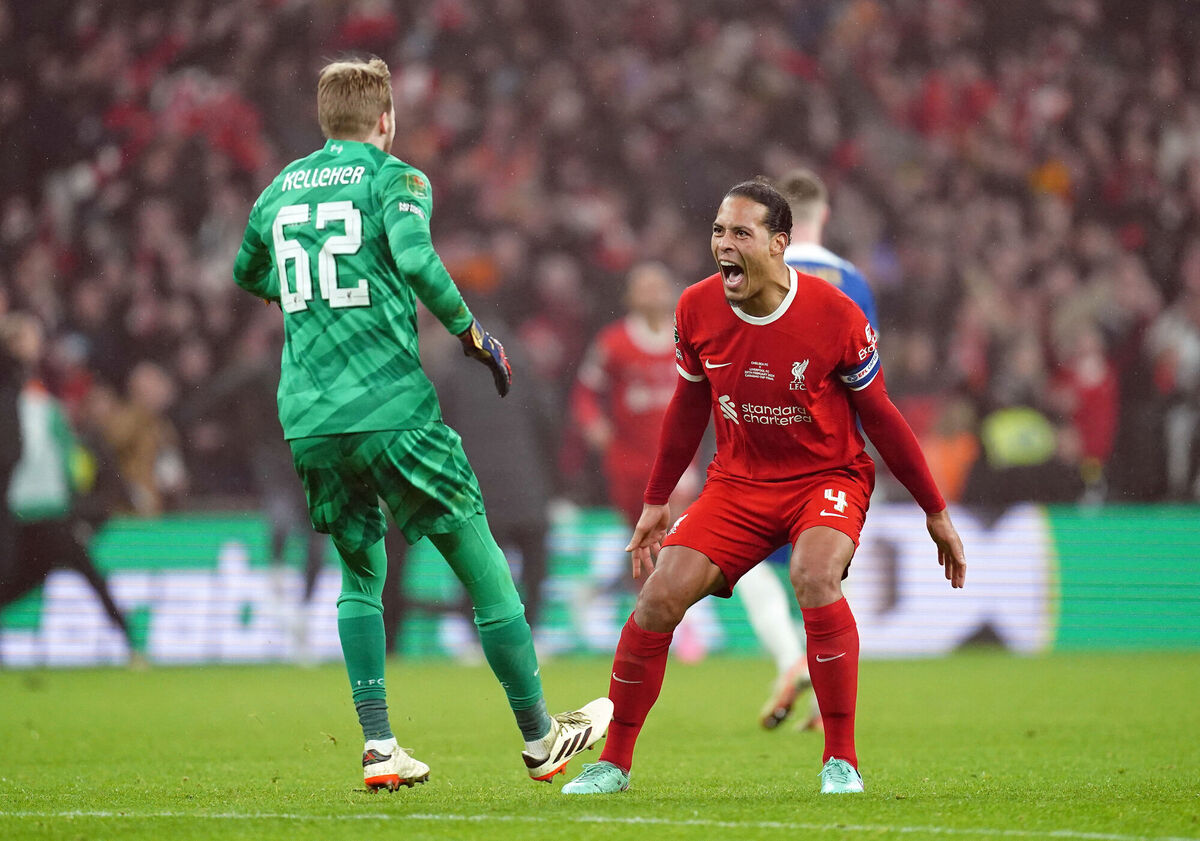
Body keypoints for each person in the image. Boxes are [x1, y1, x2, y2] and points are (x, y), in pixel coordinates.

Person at [232, 56, 611, 791]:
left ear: (324, 119)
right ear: (385, 120)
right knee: (480, 555)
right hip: (392, 408)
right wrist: (473, 335)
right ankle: (541, 736)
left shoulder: (278, 190)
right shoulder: (395, 178)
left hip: (309, 415)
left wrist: (311, 295)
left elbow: (248, 271)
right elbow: (416, 259)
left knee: (360, 570)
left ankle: (379, 744)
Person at [561, 178, 965, 796]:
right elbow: (688, 408)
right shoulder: (696, 308)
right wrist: (655, 500)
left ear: (780, 244)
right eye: (718, 232)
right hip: (738, 485)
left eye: (740, 233)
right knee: (657, 600)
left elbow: (881, 414)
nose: (724, 244)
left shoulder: (834, 315)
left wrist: (934, 510)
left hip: (826, 477)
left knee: (814, 576)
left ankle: (841, 761)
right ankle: (613, 764)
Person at [736, 168, 883, 732]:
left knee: (748, 568)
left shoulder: (756, 271)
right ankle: (827, 693)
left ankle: (790, 661)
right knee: (826, 579)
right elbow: (867, 375)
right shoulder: (853, 282)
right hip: (831, 457)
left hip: (762, 452)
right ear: (824, 215)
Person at [568, 261, 711, 661]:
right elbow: (584, 393)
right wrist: (594, 426)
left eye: (657, 287)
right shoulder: (613, 343)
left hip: (680, 463)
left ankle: (675, 630)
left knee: (674, 544)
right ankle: (632, 611)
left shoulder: (690, 338)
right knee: (648, 548)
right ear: (630, 297)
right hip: (628, 466)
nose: (651, 295)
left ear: (670, 292)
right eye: (643, 288)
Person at [0, 314, 139, 661]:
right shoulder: (32, 399)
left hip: (26, 507)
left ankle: (129, 640)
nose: (37, 343)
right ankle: (132, 644)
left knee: (22, 578)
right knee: (83, 572)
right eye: (30, 337)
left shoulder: (30, 392)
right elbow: (62, 457)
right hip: (36, 507)